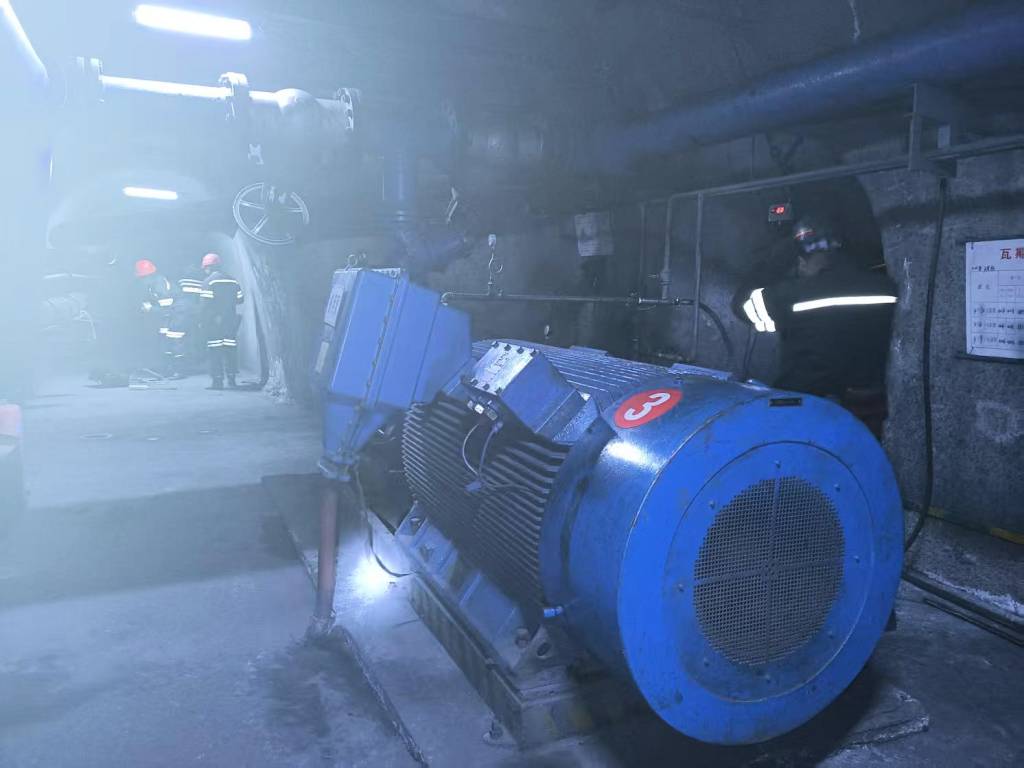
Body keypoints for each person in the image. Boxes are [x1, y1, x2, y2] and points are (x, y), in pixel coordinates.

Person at [734, 215, 897, 435]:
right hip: (865, 413)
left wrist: (772, 263)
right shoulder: (885, 289)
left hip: (806, 409)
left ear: (802, 260)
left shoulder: (789, 296)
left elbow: (740, 305)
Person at [200, 253, 244, 390]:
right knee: (230, 349)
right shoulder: (233, 281)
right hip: (230, 321)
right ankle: (232, 379)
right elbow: (240, 300)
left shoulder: (208, 281)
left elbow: (205, 304)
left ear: (208, 267)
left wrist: (203, 321)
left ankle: (217, 381)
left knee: (215, 350)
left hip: (214, 322)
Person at [134, 258, 176, 377]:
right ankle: (165, 368)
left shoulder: (160, 285)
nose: (141, 281)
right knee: (164, 343)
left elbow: (168, 309)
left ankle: (171, 369)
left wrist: (150, 308)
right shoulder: (153, 284)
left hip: (172, 317)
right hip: (166, 318)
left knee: (169, 343)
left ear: (148, 276)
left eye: (142, 278)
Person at [164, 263, 205, 377]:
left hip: (180, 315)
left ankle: (178, 370)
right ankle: (190, 366)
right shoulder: (202, 284)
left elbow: (170, 298)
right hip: (195, 315)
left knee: (176, 340)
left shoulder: (179, 283)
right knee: (191, 340)